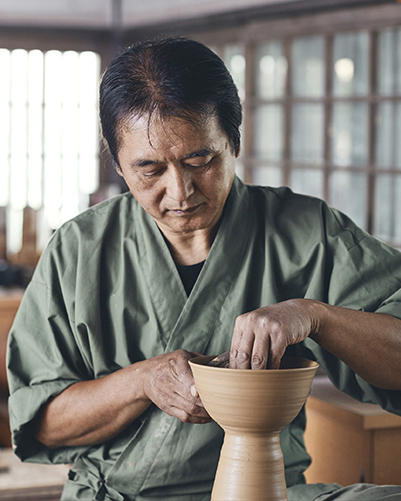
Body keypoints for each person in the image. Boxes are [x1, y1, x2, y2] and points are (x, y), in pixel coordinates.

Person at [6, 36, 401, 501]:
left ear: (233, 141)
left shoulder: (305, 231)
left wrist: (315, 316)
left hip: (267, 490)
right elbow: (43, 423)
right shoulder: (79, 248)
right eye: (150, 170)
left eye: (200, 160)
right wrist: (142, 381)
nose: (180, 191)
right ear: (117, 162)